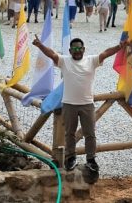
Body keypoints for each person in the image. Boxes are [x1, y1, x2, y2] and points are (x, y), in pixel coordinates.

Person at [30, 34, 126, 174]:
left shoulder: (91, 60)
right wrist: (40, 45)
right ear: (70, 51)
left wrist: (120, 47)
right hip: (69, 104)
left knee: (90, 134)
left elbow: (106, 53)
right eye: (74, 48)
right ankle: (70, 158)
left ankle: (91, 159)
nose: (77, 51)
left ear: (84, 49)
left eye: (79, 48)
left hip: (87, 104)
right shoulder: (64, 61)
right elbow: (51, 54)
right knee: (69, 134)